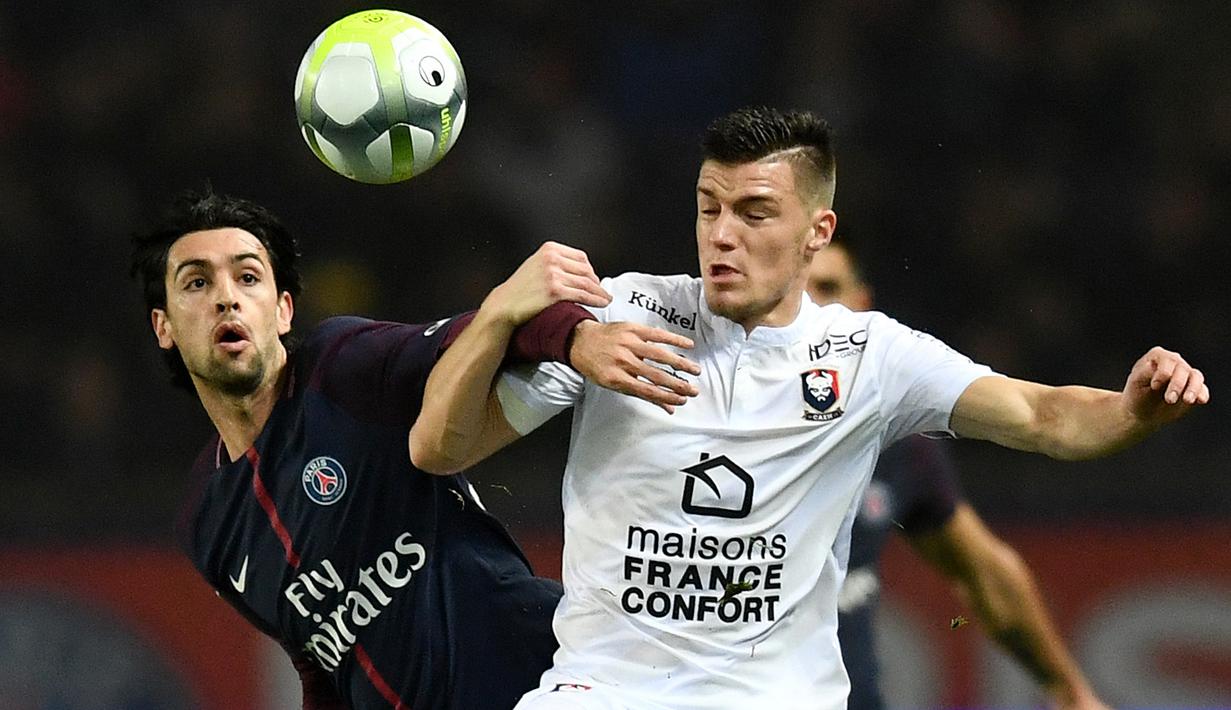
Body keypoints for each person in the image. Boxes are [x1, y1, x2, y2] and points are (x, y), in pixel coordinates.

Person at [408, 106, 1209, 710]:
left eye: (754, 213)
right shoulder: (620, 316)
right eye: (707, 207)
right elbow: (440, 449)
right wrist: (503, 313)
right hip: (603, 691)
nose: (722, 234)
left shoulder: (870, 357)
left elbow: (1044, 418)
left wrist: (1133, 408)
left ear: (815, 232)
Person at [129, 189, 694, 709]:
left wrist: (576, 339)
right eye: (197, 283)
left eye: (248, 278)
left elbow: (478, 333)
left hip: (540, 685)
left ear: (282, 311)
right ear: (165, 326)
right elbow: (318, 662)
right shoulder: (207, 525)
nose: (227, 298)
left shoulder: (339, 369)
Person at [808, 240, 1109, 710]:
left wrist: (1070, 691)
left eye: (827, 287)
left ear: (862, 307)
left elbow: (986, 574)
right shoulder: (709, 419)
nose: (814, 307)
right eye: (799, 291)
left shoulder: (899, 445)